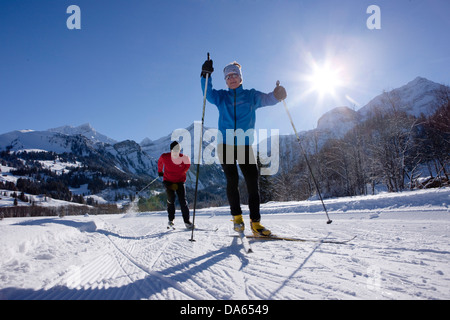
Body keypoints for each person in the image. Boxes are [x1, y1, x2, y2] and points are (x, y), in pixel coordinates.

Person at [201, 58, 287, 236]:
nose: (232, 79)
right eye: (228, 77)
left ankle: (256, 223)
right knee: (232, 180)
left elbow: (267, 99)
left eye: (235, 76)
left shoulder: (251, 96)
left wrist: (277, 95)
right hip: (225, 145)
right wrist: (205, 75)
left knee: (252, 183)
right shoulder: (221, 98)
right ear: (225, 80)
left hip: (244, 145)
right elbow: (207, 93)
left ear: (241, 78)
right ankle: (237, 218)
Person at [158, 141, 193, 229]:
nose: (175, 153)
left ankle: (187, 221)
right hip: (168, 181)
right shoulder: (165, 156)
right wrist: (160, 171)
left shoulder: (184, 158)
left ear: (180, 150)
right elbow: (160, 162)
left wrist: (181, 172)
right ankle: (171, 220)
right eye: (174, 151)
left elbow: (187, 165)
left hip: (180, 182)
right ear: (171, 150)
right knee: (171, 200)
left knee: (183, 201)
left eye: (177, 151)